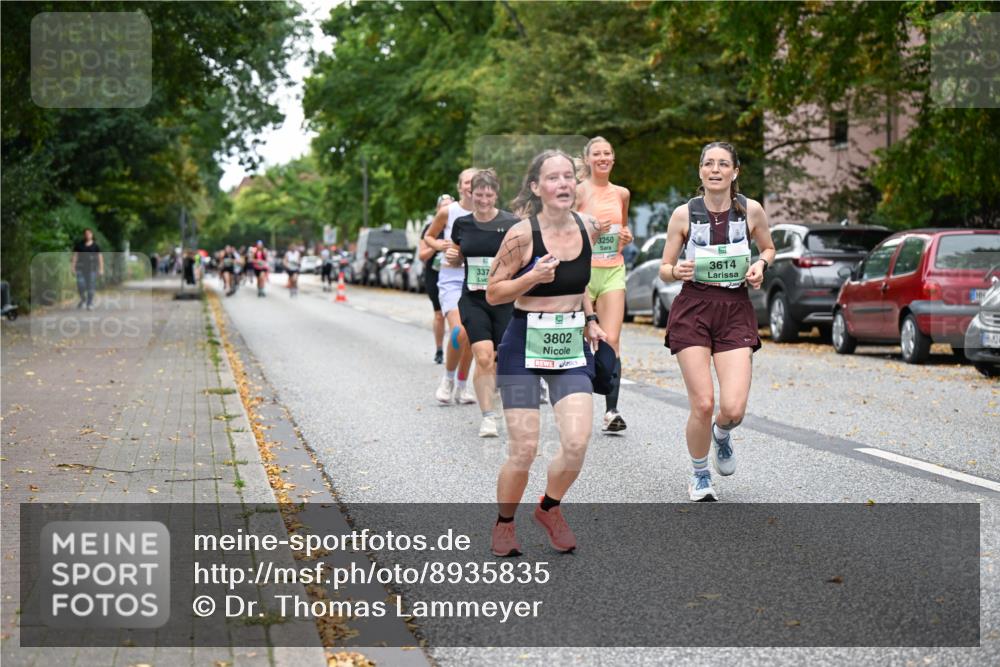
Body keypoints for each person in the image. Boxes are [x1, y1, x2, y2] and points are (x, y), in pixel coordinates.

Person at [486, 150, 607, 557]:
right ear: (537, 188)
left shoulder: (588, 228)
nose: (563, 184)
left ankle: (549, 508)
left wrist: (590, 317)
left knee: (577, 441)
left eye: (569, 176)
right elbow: (493, 291)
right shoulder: (520, 235)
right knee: (523, 448)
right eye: (553, 178)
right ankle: (504, 524)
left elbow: (581, 285)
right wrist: (532, 277)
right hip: (523, 344)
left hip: (570, 342)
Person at [659, 142, 775, 502]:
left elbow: (768, 248)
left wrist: (760, 266)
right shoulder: (683, 215)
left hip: (735, 308)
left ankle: (721, 435)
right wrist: (675, 270)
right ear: (700, 171)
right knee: (703, 403)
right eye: (708, 163)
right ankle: (699, 475)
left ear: (735, 172)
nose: (715, 169)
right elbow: (665, 269)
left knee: (732, 409)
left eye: (723, 164)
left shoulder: (751, 211)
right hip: (693, 306)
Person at [449, 170, 519, 438]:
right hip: (473, 299)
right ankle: (488, 417)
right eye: (479, 195)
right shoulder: (462, 224)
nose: (483, 200)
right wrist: (453, 258)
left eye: (489, 195)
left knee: (500, 357)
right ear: (470, 193)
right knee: (483, 356)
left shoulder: (511, 222)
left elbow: (522, 256)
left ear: (496, 194)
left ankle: (496, 391)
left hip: (503, 300)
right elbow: (457, 254)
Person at [576, 137, 635, 433]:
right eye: (596, 153)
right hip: (581, 273)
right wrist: (590, 238)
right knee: (581, 340)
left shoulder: (621, 193)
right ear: (587, 160)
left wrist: (626, 237)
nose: (602, 157)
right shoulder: (577, 193)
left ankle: (611, 411)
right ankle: (576, 403)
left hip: (612, 270)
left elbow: (622, 228)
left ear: (613, 158)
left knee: (610, 339)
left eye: (607, 153)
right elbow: (566, 233)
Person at [425, 172, 477, 404]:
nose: (471, 186)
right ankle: (448, 379)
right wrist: (440, 244)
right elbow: (429, 236)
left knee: (474, 337)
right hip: (452, 280)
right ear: (460, 187)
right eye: (467, 182)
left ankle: (463, 386)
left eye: (475, 182)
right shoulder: (449, 211)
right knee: (459, 332)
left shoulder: (488, 214)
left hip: (478, 280)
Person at [419, 194, 454, 363]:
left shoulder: (459, 224)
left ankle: (456, 351)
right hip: (434, 274)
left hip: (455, 275)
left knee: (456, 317)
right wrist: (437, 246)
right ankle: (439, 350)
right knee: (439, 314)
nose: (446, 209)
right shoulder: (430, 228)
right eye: (443, 206)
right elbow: (422, 255)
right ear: (438, 209)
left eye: (450, 205)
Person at [71, 228, 103, 310]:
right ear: (84, 235)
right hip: (80, 268)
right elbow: (75, 256)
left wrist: (101, 269)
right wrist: (73, 267)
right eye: (86, 233)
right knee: (80, 285)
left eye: (89, 233)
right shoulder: (79, 245)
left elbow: (100, 258)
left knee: (91, 286)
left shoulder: (96, 246)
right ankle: (83, 299)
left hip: (92, 269)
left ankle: (90, 303)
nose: (87, 235)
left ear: (92, 235)